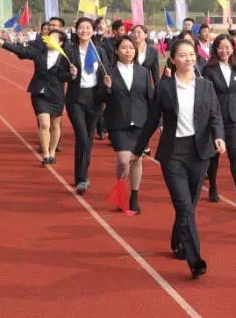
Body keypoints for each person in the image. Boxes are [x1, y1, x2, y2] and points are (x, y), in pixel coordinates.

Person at [131, 40, 225, 279]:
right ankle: (195, 260)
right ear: (172, 59)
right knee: (184, 205)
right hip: (173, 153)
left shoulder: (206, 85)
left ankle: (178, 240)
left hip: (199, 152)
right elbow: (152, 120)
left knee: (189, 205)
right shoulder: (164, 87)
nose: (188, 59)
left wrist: (218, 137)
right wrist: (138, 149)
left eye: (191, 54)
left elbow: (215, 116)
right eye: (182, 55)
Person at [0, 28, 73, 165]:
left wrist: (72, 74)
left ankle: (52, 152)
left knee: (55, 125)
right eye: (49, 37)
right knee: (45, 124)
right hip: (39, 93)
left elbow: (65, 76)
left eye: (54, 38)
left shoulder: (66, 57)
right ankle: (46, 154)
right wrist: (2, 42)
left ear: (60, 42)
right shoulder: (39, 52)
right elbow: (22, 51)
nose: (50, 39)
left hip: (56, 95)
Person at [102, 35, 153, 213]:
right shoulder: (108, 71)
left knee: (136, 160)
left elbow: (150, 97)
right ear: (116, 51)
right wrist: (107, 88)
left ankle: (134, 197)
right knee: (124, 160)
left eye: (131, 48)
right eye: (124, 47)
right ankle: (120, 191)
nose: (128, 51)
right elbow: (100, 98)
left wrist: (157, 120)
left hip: (140, 122)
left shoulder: (143, 72)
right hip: (118, 121)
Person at [202, 34, 236, 204]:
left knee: (235, 155)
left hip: (234, 118)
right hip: (216, 118)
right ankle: (213, 186)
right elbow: (206, 96)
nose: (224, 51)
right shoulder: (209, 70)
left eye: (227, 47)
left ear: (232, 49)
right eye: (220, 47)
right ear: (215, 49)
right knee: (215, 155)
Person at [64, 17, 108, 194]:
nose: (85, 31)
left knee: (88, 138)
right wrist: (72, 75)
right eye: (81, 28)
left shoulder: (99, 51)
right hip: (76, 99)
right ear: (76, 30)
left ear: (93, 30)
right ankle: (81, 179)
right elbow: (60, 74)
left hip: (94, 98)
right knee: (82, 137)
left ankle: (82, 174)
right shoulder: (69, 51)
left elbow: (106, 72)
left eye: (88, 28)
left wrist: (107, 88)